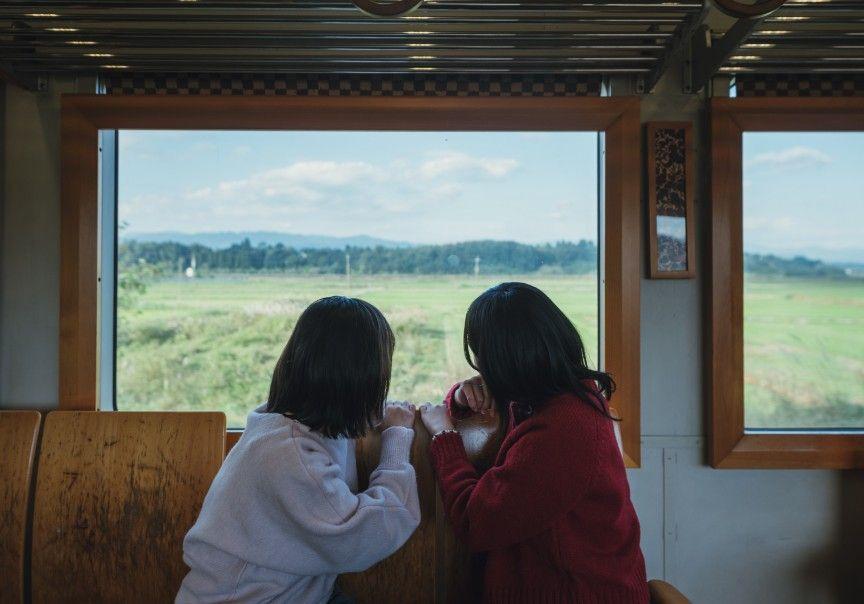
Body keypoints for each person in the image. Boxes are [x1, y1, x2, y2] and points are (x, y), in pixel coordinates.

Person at [177, 296, 420, 604]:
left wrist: (376, 413)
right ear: (358, 381)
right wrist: (398, 437)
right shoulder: (289, 457)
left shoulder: (285, 422)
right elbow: (368, 534)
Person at [420, 282, 649, 603]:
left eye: (482, 358)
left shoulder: (565, 430)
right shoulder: (556, 395)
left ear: (505, 362)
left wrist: (445, 438)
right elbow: (500, 405)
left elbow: (476, 523)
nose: (480, 366)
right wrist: (462, 395)